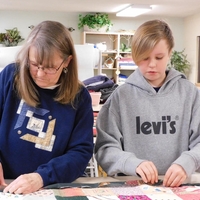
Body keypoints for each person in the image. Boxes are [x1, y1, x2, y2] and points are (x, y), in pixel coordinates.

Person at [94, 19, 200, 187]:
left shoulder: (190, 93)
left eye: (159, 57)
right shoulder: (120, 97)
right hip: (132, 187)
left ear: (170, 52)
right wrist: (131, 163)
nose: (152, 64)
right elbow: (105, 148)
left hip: (181, 186)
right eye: (144, 58)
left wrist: (188, 161)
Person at [0, 20, 94, 194]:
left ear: (67, 62)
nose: (40, 74)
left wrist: (42, 176)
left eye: (50, 68)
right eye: (34, 64)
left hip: (50, 186)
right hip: (5, 184)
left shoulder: (79, 96)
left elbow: (81, 152)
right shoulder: (9, 76)